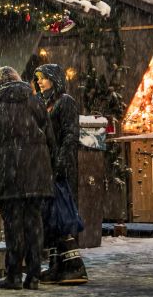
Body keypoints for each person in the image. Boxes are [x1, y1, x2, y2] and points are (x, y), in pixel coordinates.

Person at [0, 65, 55, 291]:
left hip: (7, 172)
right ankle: (34, 275)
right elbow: (50, 137)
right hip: (36, 173)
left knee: (13, 226)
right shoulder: (35, 101)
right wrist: (50, 167)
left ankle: (13, 276)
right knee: (34, 223)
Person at [35, 63, 88, 285]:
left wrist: (60, 162)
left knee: (61, 215)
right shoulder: (45, 103)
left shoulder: (65, 102)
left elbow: (69, 135)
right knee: (52, 217)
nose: (39, 81)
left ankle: (75, 267)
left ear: (54, 79)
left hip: (60, 168)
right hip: (47, 167)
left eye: (43, 78)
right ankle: (57, 266)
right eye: (37, 78)